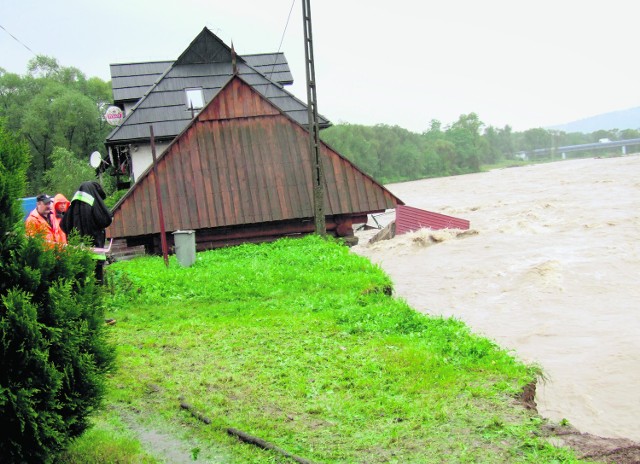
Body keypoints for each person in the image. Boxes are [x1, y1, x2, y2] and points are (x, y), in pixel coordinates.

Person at [60, 181, 113, 284]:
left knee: (81, 283)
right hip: (95, 254)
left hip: (77, 254)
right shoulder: (94, 205)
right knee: (97, 284)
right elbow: (105, 219)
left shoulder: (73, 206)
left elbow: (63, 225)